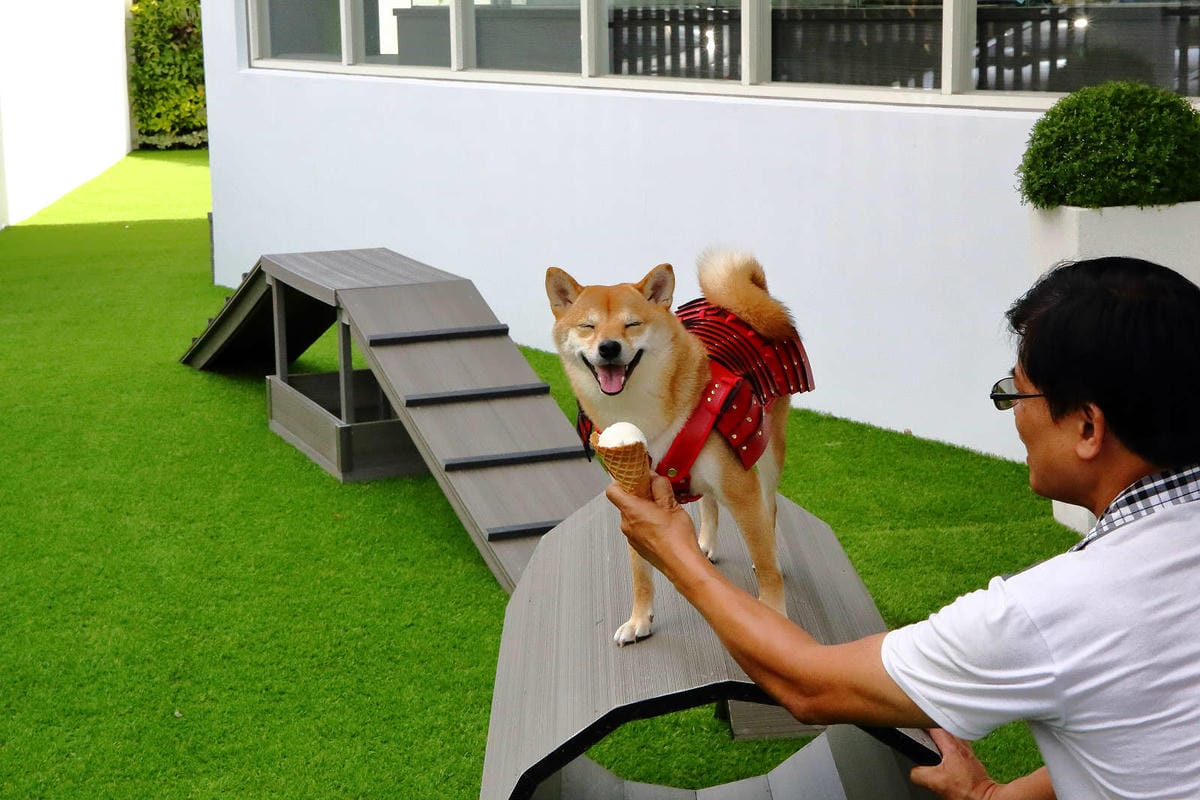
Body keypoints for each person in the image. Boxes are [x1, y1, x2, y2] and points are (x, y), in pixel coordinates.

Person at [604, 256, 1200, 799]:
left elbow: (810, 687)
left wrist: (675, 552)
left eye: (1016, 393)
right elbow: (1144, 727)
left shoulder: (1049, 614)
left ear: (1088, 429)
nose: (1014, 412)